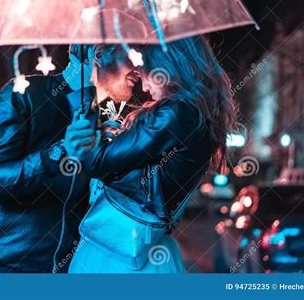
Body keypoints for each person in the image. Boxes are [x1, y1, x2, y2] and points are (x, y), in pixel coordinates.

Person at [69, 36, 238, 273]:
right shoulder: (198, 114)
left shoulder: (176, 112)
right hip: (150, 248)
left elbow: (97, 161)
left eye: (145, 72)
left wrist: (86, 104)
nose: (145, 87)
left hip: (122, 253)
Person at [0, 45, 139, 273]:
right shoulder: (23, 94)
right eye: (133, 54)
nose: (141, 67)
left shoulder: (102, 120)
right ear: (98, 54)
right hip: (6, 266)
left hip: (70, 270)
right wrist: (58, 153)